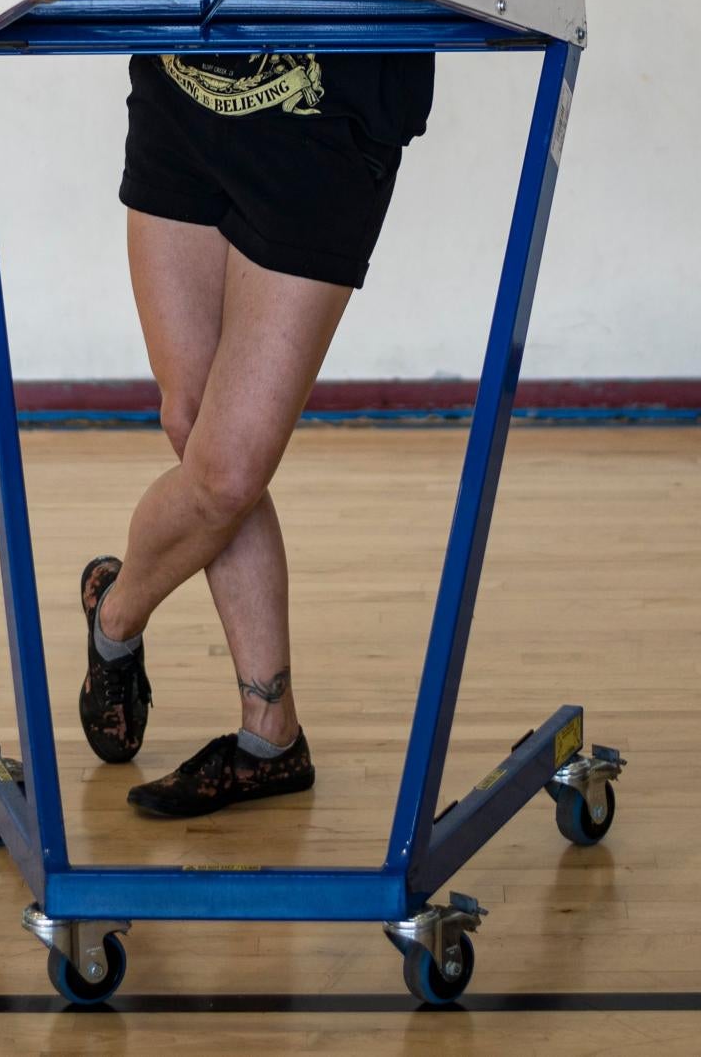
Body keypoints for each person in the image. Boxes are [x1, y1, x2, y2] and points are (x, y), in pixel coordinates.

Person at [78, 46, 434, 817]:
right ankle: (271, 740)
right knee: (192, 423)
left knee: (227, 472)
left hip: (324, 112)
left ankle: (116, 613)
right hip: (182, 85)